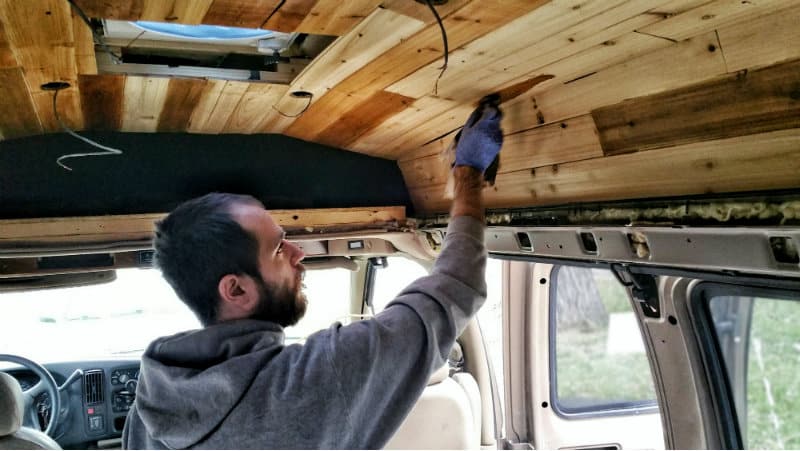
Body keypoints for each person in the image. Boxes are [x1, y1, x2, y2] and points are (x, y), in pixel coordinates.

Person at [122, 103, 504, 450]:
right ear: (236, 288)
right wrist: (467, 175)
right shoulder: (311, 382)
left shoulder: (148, 410)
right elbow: (456, 284)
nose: (298, 253)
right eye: (278, 249)